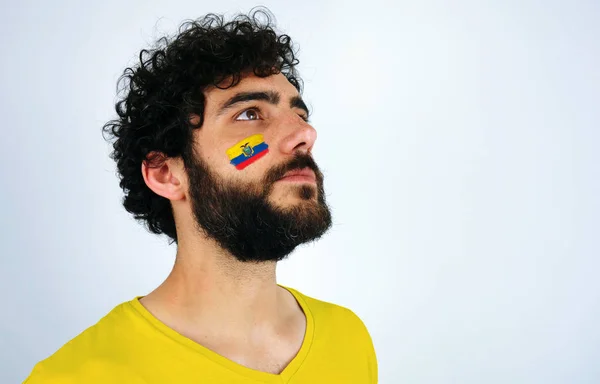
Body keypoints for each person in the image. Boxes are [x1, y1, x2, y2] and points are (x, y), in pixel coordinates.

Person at [24, 9, 377, 383]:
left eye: (298, 113)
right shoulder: (76, 376)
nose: (304, 133)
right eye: (249, 114)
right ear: (165, 174)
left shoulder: (349, 338)